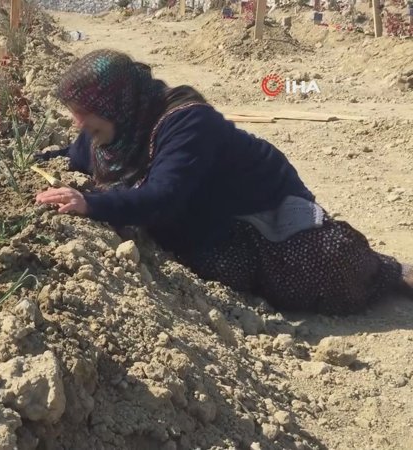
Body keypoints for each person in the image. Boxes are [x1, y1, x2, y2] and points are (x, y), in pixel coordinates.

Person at [35, 49, 413, 315]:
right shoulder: (111, 133)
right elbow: (73, 156)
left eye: (84, 115)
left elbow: (165, 196)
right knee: (207, 256)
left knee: (325, 270)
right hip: (207, 218)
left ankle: (390, 273)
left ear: (115, 104)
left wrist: (92, 203)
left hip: (262, 212)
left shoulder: (187, 122)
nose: (78, 126)